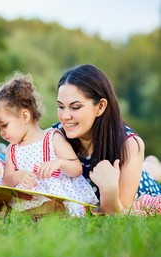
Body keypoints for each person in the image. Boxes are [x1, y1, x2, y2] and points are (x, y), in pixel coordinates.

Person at [54, 64, 161, 214]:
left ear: (100, 107)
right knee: (147, 166)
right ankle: (150, 164)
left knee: (147, 171)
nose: (65, 116)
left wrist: (109, 189)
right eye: (60, 106)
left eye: (75, 107)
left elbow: (119, 213)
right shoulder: (55, 136)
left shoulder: (129, 144)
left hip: (141, 186)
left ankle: (152, 166)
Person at [0, 71, 99, 216]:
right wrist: (18, 176)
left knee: (53, 205)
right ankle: (31, 214)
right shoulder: (12, 149)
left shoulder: (52, 137)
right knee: (9, 210)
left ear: (25, 116)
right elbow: (7, 180)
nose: (1, 132)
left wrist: (60, 163)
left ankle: (49, 211)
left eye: (4, 125)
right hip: (29, 198)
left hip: (54, 196)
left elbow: (76, 169)